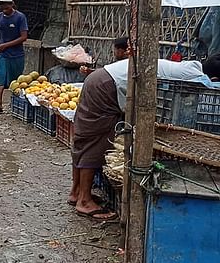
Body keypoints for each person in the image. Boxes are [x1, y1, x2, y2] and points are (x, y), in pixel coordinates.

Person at [69, 55, 220, 220]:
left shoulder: (191, 66)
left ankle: (77, 192)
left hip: (99, 80)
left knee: (85, 138)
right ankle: (84, 200)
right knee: (96, 142)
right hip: (106, 87)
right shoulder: (196, 76)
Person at [0, 0, 28, 113]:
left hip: (17, 54)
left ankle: (15, 104)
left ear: (12, 4)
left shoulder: (20, 17)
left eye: (6, 4)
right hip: (3, 54)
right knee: (0, 75)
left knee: (15, 80)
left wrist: (6, 45)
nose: (3, 6)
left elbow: (24, 37)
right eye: (1, 4)